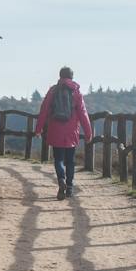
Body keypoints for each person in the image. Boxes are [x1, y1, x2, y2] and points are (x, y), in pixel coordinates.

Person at [35, 66, 92, 200]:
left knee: (58, 159)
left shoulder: (53, 91)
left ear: (60, 76)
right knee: (70, 161)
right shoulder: (76, 92)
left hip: (55, 129)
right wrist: (88, 133)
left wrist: (38, 129)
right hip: (71, 131)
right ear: (72, 77)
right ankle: (70, 187)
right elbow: (83, 114)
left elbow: (43, 110)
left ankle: (61, 180)